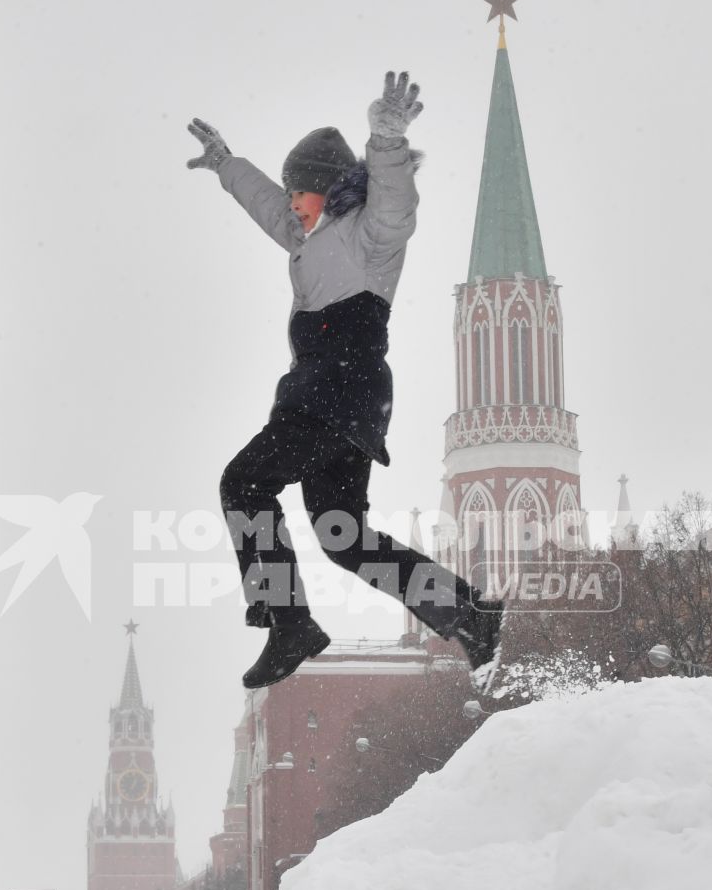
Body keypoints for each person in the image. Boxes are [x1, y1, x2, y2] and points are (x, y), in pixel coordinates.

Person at [189, 71, 504, 688]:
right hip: (343, 398)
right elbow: (264, 206)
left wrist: (386, 141)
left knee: (244, 484)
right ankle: (467, 613)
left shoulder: (370, 235)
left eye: (296, 192)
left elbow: (395, 203)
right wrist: (228, 164)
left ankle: (289, 623)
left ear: (325, 189)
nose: (288, 204)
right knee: (342, 534)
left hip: (332, 392)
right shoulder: (307, 237)